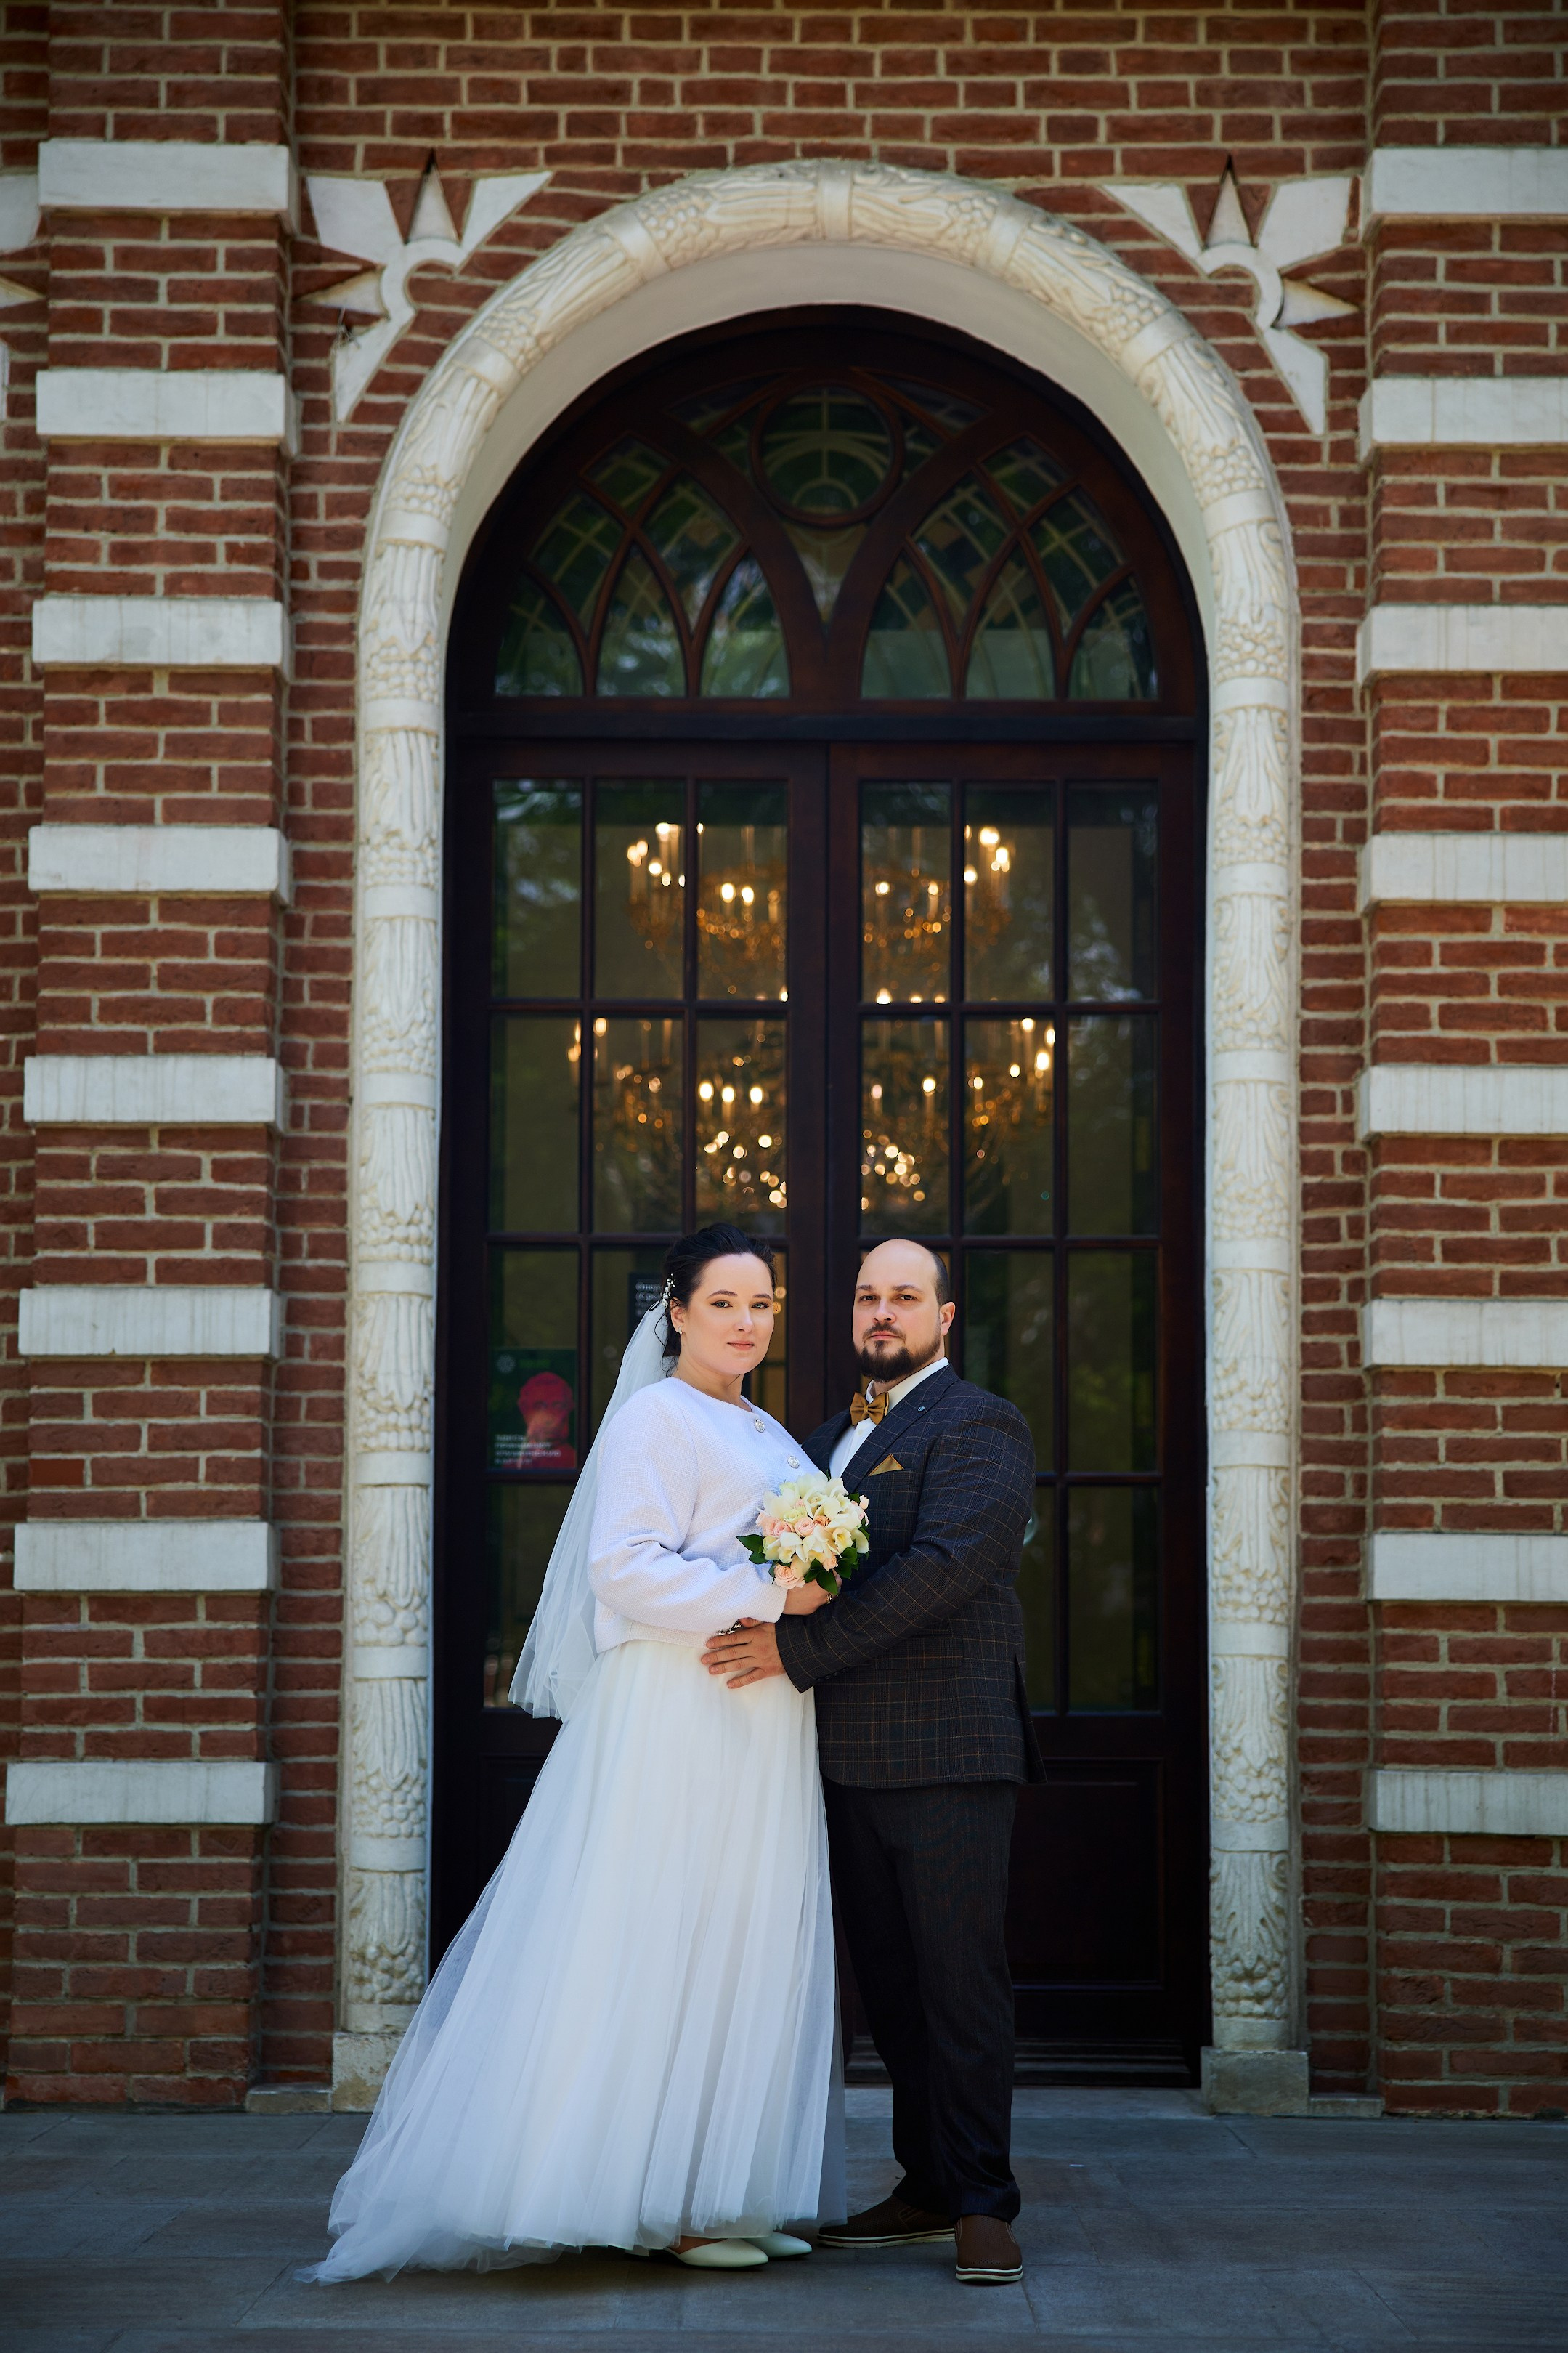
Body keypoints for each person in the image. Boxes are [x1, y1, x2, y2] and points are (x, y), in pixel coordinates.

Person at [308, 1224, 842, 2280]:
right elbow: (624, 1569)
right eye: (724, 1302)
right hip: (682, 1709)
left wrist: (809, 1597)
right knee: (665, 1935)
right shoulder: (655, 1418)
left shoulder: (771, 1431)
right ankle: (658, 2204)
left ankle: (721, 2187)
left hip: (764, 1712)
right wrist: (771, 1594)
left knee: (741, 1937)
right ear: (676, 1312)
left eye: (762, 1305)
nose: (747, 1322)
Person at [703, 1238, 1040, 2287]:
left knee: (960, 1982)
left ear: (945, 1316)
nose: (883, 1313)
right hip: (843, 1754)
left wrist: (793, 1652)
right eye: (866, 1298)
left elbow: (942, 1571)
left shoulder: (981, 1422)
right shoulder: (827, 1438)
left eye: (905, 1297)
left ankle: (984, 2201)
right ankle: (926, 2183)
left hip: (948, 1749)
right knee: (891, 1988)